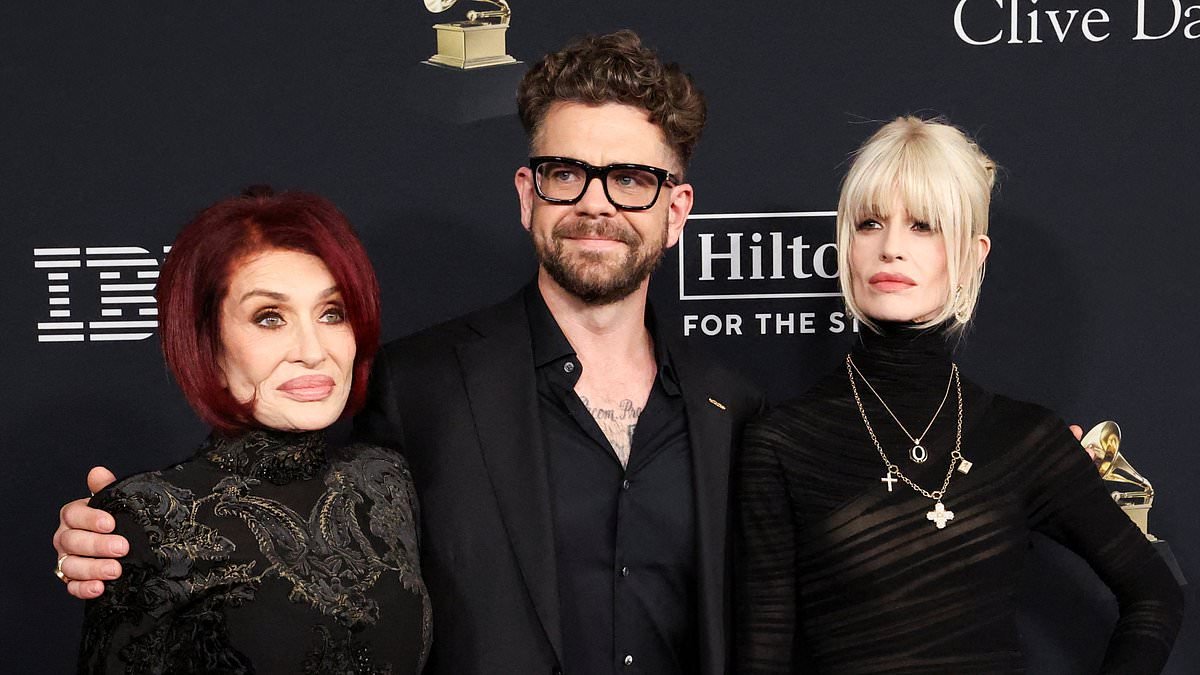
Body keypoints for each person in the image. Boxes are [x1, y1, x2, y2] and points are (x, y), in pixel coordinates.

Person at [55, 32, 763, 674]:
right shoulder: (418, 386)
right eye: (566, 172)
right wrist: (125, 536)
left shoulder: (737, 413)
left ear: (676, 212)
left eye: (632, 179)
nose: (596, 204)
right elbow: (282, 515)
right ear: (528, 194)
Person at [735, 117, 1184, 673]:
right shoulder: (781, 443)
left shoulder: (1023, 438)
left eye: (924, 225)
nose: (891, 248)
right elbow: (761, 658)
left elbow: (1155, 596)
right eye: (870, 223)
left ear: (974, 254)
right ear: (846, 243)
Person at [73, 188, 431, 673]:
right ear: (209, 345)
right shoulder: (151, 515)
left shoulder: (386, 479)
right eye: (270, 318)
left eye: (332, 313)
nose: (312, 348)